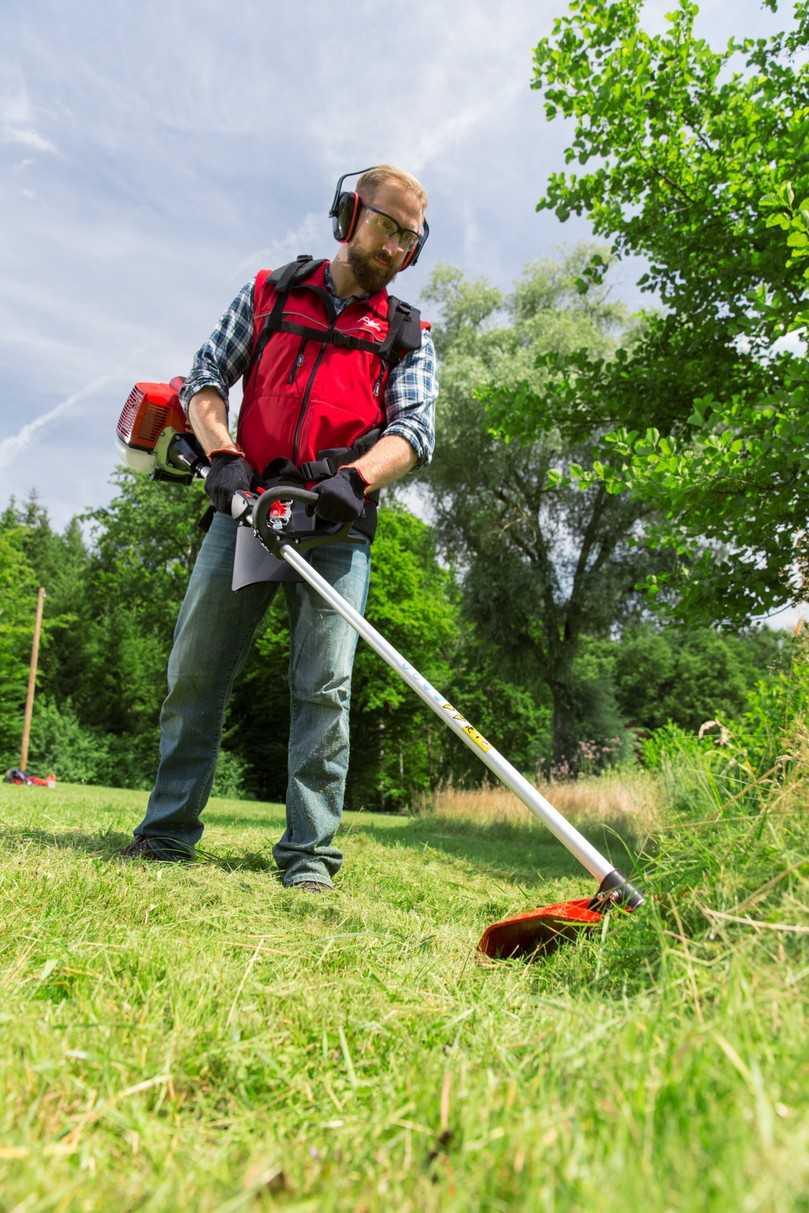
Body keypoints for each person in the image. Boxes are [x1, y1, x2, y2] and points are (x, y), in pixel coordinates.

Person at [121, 164, 437, 892]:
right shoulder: (269, 293)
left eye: (410, 239)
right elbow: (204, 377)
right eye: (386, 225)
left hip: (333, 526)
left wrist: (353, 480)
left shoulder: (405, 332)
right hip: (248, 511)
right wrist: (223, 454)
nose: (395, 247)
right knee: (195, 674)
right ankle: (167, 833)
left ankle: (308, 859)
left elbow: (415, 430)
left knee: (323, 688)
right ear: (348, 212)